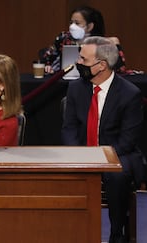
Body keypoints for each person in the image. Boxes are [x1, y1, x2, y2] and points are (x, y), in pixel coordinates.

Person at [62, 36, 146, 243]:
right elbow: (69, 129)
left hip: (118, 153)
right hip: (83, 151)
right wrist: (79, 154)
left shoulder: (129, 94)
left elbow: (127, 140)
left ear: (102, 65)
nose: (78, 63)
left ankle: (117, 234)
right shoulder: (75, 88)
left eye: (83, 59)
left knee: (116, 175)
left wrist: (100, 158)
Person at [39, 6, 128, 74]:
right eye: (71, 22)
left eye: (77, 23)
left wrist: (114, 46)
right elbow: (46, 57)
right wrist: (47, 66)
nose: (72, 26)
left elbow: (120, 69)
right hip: (68, 82)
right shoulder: (65, 38)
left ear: (90, 26)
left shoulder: (103, 43)